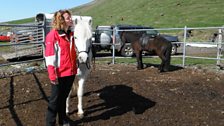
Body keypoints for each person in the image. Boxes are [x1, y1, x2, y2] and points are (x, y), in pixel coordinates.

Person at [45, 9, 76, 126]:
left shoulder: (70, 34)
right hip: (59, 74)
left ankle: (63, 120)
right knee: (54, 101)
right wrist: (52, 75)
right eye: (68, 18)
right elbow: (50, 57)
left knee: (63, 98)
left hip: (70, 72)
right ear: (61, 20)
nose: (71, 20)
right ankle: (50, 123)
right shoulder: (52, 36)